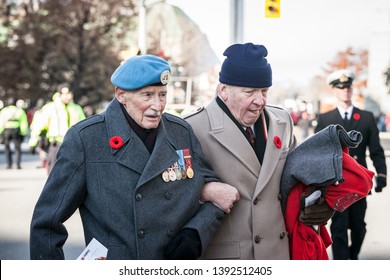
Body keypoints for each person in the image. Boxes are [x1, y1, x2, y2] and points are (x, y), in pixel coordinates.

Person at [30, 54, 237, 260]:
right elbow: (47, 222)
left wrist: (195, 233)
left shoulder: (181, 132)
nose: (157, 105)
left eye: (162, 95)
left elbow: (216, 196)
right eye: (147, 95)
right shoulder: (86, 139)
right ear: (121, 95)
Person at [185, 42, 334, 259]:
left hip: (278, 253)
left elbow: (295, 177)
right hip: (231, 258)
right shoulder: (193, 127)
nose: (260, 101)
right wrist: (205, 191)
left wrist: (318, 201)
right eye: (250, 92)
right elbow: (174, 191)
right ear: (223, 91)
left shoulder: (282, 121)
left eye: (264, 91)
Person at [315, 69, 387, 260]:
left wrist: (382, 174)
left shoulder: (366, 117)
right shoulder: (325, 120)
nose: (345, 91)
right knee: (338, 228)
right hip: (336, 183)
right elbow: (316, 152)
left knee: (358, 227)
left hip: (359, 183)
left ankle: (353, 258)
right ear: (334, 90)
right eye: (341, 87)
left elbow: (376, 150)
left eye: (348, 87)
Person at [28, 87, 86, 173]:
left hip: (74, 145)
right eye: (65, 93)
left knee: (74, 174)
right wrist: (33, 142)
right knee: (54, 173)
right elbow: (38, 125)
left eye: (70, 93)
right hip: (56, 145)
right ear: (59, 94)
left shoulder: (77, 108)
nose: (68, 96)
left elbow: (83, 125)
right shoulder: (50, 108)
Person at [0, 97, 29, 169]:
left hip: (7, 130)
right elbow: (23, 122)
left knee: (7, 148)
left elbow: (1, 122)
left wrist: (1, 132)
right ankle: (18, 164)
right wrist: (23, 132)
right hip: (16, 130)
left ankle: (9, 164)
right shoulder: (20, 111)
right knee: (18, 148)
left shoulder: (4, 111)